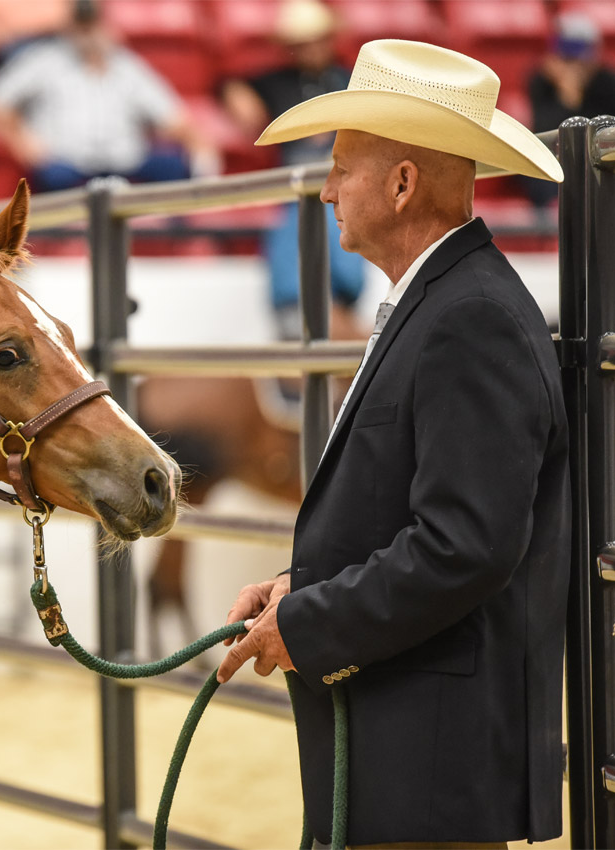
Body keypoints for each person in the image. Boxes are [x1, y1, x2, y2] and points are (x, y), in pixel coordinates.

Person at [216, 39, 569, 847]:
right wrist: (296, 585)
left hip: (429, 759)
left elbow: (463, 545)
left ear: (403, 183)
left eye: (343, 166)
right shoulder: (449, 304)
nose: (328, 188)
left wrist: (308, 624)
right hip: (416, 743)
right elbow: (415, 509)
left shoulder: (466, 318)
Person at [223, 0, 365, 338]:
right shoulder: (274, 82)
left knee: (332, 215)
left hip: (344, 178)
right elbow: (227, 81)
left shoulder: (349, 80)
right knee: (300, 215)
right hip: (297, 183)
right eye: (302, 43)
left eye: (316, 40)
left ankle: (332, 303)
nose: (311, 49)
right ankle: (308, 304)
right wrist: (234, 93)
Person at [0, 0, 220, 194]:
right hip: (68, 167)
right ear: (69, 25)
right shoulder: (44, 60)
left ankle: (174, 246)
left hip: (126, 164)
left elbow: (173, 119)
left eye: (92, 24)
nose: (88, 33)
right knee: (52, 177)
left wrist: (200, 151)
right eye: (81, 25)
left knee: (172, 167)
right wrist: (24, 142)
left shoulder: (127, 65)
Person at [525, 11, 615, 207]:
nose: (575, 67)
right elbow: (545, 135)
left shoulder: (608, 82)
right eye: (567, 60)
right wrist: (568, 97)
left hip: (599, 162)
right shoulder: (541, 81)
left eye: (581, 60)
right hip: (554, 162)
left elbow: (603, 137)